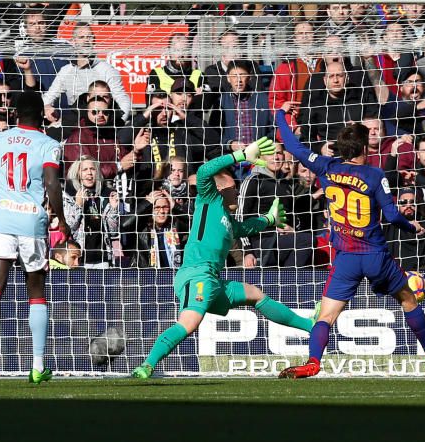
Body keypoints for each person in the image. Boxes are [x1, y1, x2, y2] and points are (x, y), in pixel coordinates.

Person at [275, 106, 425, 379]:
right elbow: (393, 216)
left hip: (345, 257)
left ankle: (313, 362)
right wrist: (412, 225)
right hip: (375, 256)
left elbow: (292, 145)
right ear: (364, 149)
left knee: (325, 317)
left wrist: (280, 115)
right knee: (408, 299)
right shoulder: (374, 175)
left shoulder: (325, 166)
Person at [131, 137, 315, 379]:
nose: (237, 192)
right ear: (221, 188)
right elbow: (205, 170)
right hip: (197, 274)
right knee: (188, 324)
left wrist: (269, 220)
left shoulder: (229, 221)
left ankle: (309, 326)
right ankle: (147, 365)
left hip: (213, 280)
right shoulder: (209, 198)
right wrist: (240, 155)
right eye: (233, 188)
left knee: (254, 294)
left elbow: (246, 228)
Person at [0, 91, 70, 384]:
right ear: (41, 116)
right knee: (36, 293)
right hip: (31, 223)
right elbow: (51, 182)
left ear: (14, 115)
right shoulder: (48, 145)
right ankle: (37, 365)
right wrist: (61, 219)